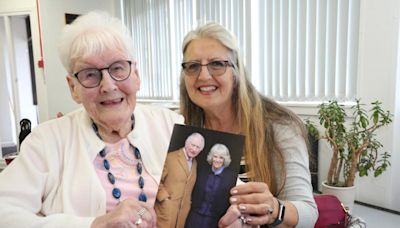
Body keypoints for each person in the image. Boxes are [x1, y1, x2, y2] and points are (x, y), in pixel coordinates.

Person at [0, 11, 183, 227]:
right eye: (90, 74)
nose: (108, 86)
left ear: (136, 75)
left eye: (118, 68)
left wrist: (230, 208)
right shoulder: (48, 140)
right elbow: (5, 210)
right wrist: (95, 224)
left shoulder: (171, 125)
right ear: (73, 88)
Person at [179, 22, 318, 227]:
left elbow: (308, 214)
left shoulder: (279, 126)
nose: (204, 76)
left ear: (236, 72)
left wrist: (275, 209)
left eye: (217, 64)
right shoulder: (180, 127)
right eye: (193, 66)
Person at [155, 132, 205, 228]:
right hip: (165, 209)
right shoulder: (170, 157)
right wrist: (164, 199)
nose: (194, 149)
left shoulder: (195, 163)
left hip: (182, 214)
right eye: (192, 145)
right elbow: (156, 179)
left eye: (198, 147)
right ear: (186, 143)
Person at [185, 143, 237, 228]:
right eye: (215, 156)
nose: (217, 160)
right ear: (211, 157)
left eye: (221, 158)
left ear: (225, 160)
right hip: (195, 215)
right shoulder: (201, 171)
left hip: (214, 220)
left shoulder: (231, 178)